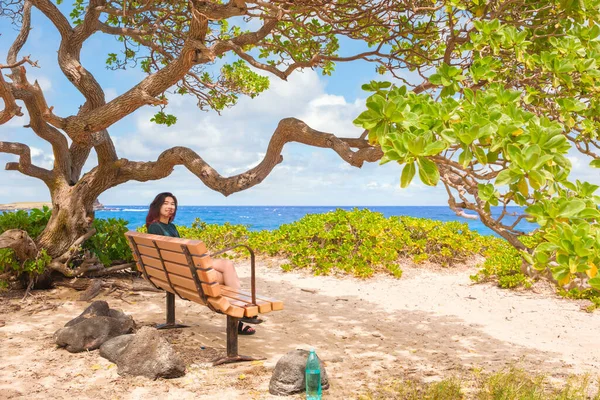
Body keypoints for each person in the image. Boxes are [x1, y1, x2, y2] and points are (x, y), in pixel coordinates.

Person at [145, 192, 259, 335]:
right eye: (166, 203)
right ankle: (240, 314)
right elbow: (170, 255)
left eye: (173, 204)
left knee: (227, 267)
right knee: (227, 271)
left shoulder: (169, 227)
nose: (170, 207)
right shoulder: (156, 228)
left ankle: (239, 313)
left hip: (176, 271)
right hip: (183, 273)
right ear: (157, 206)